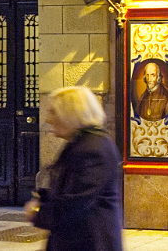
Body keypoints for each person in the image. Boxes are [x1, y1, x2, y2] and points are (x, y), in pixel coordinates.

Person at [24, 86, 123, 251]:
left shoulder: (93, 148)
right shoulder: (82, 143)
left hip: (90, 243)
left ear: (69, 113)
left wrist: (39, 213)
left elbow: (76, 203)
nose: (48, 119)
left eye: (53, 112)